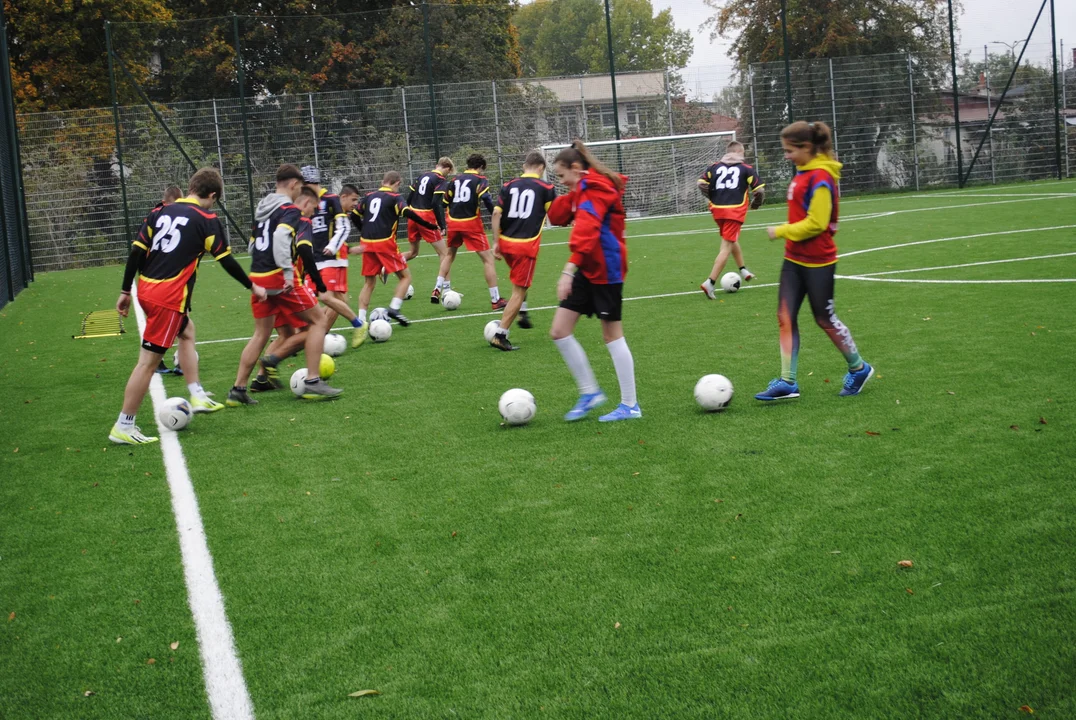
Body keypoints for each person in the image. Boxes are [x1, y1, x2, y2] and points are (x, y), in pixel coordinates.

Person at [111, 168, 265, 445]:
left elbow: (136, 251)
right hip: (168, 297)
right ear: (213, 195)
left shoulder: (159, 211)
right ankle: (124, 424)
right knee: (147, 363)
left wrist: (125, 290)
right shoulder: (207, 218)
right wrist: (252, 285)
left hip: (147, 289)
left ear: (191, 187)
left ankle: (196, 394)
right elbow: (225, 259)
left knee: (187, 331)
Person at [756, 121, 873, 401]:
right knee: (784, 317)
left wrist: (781, 230)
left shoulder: (820, 177)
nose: (786, 155)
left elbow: (817, 224)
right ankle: (788, 382)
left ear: (807, 147)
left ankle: (859, 368)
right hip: (793, 259)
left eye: (789, 150)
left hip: (818, 261)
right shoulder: (803, 171)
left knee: (825, 319)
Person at [227, 164, 342, 405]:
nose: (299, 191)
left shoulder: (262, 209)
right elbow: (280, 237)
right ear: (292, 184)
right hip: (280, 277)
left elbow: (252, 245)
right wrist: (288, 273)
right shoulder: (289, 209)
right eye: (299, 187)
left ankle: (238, 389)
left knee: (261, 334)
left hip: (259, 276)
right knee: (319, 320)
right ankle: (312, 381)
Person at [547, 141, 640, 422]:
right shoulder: (582, 190)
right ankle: (590, 393)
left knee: (612, 335)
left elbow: (587, 230)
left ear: (576, 168)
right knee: (559, 331)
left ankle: (630, 405)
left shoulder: (597, 189)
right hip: (588, 267)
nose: (561, 182)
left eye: (562, 176)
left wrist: (567, 270)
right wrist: (568, 193)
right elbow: (557, 215)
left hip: (607, 268)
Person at [350, 171, 439, 345]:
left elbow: (354, 215)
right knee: (405, 277)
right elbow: (408, 213)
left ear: (383, 181)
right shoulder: (394, 197)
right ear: (397, 183)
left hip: (367, 242)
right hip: (385, 243)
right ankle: (394, 308)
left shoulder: (368, 196)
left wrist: (364, 231)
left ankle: (360, 323)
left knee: (369, 283)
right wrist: (428, 224)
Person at [488, 151, 557, 350]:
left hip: (506, 243)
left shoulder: (508, 186)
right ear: (541, 168)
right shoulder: (546, 188)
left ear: (524, 166)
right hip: (525, 246)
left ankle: (523, 312)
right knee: (519, 290)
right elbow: (557, 215)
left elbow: (495, 213)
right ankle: (500, 335)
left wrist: (495, 242)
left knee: (520, 284)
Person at [299, 167, 366, 348]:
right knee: (307, 301)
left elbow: (343, 226)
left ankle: (358, 324)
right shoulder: (302, 202)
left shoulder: (330, 199)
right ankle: (303, 336)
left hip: (332, 258)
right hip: (313, 259)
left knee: (327, 297)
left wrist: (333, 246)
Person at [698, 140, 764, 299]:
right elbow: (760, 191)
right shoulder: (746, 169)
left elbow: (701, 184)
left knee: (731, 239)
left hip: (717, 211)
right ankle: (710, 282)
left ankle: (743, 270)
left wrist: (713, 196)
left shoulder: (714, 167)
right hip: (734, 212)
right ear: (740, 153)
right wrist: (755, 205)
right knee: (726, 247)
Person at [438, 154, 505, 311]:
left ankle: (438, 288)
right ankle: (496, 300)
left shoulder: (455, 180)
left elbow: (443, 203)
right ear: (480, 167)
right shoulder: (480, 180)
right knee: (488, 260)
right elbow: (487, 199)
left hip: (453, 224)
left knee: (449, 255)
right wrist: (495, 214)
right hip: (471, 224)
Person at [401, 158, 453, 302]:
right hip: (426, 216)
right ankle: (446, 290)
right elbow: (436, 203)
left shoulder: (422, 175)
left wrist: (411, 214)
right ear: (447, 169)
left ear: (437, 165)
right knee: (445, 254)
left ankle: (388, 265)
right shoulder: (440, 180)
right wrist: (442, 225)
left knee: (413, 252)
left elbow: (409, 198)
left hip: (413, 214)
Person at [152, 185, 185, 375]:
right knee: (163, 322)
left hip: (171, 278)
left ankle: (180, 360)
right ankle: (158, 361)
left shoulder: (164, 215)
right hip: (161, 278)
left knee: (184, 325)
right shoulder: (156, 216)